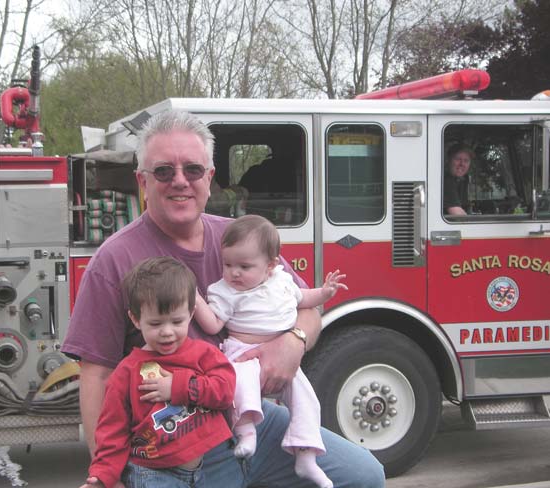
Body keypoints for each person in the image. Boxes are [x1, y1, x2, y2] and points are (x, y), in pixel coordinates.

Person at [62, 109, 385, 487]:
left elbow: (307, 309)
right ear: (142, 182)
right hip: (171, 447)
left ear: (210, 178)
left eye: (193, 170)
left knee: (364, 476)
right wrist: (107, 476)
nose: (179, 181)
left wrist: (292, 343)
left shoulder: (240, 240)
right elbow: (96, 375)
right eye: (163, 171)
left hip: (253, 422)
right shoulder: (113, 261)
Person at [193, 214, 348, 488]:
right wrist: (193, 299)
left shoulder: (282, 280)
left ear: (271, 265)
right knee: (241, 383)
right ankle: (246, 432)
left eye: (244, 266)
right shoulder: (225, 291)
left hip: (284, 357)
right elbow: (213, 322)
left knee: (307, 401)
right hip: (243, 349)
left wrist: (325, 292)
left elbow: (305, 300)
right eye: (227, 264)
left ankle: (306, 454)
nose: (234, 273)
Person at [80, 257, 235, 488]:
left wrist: (177, 387)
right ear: (135, 319)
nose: (167, 332)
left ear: (191, 313)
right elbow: (113, 429)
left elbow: (225, 390)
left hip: (202, 469)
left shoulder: (204, 354)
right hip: (151, 474)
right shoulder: (127, 373)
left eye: (176, 321)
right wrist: (102, 476)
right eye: (155, 324)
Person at [444, 144, 474, 215]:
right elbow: (457, 214)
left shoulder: (463, 179)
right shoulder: (446, 180)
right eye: (458, 159)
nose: (462, 164)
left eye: (466, 160)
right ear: (448, 160)